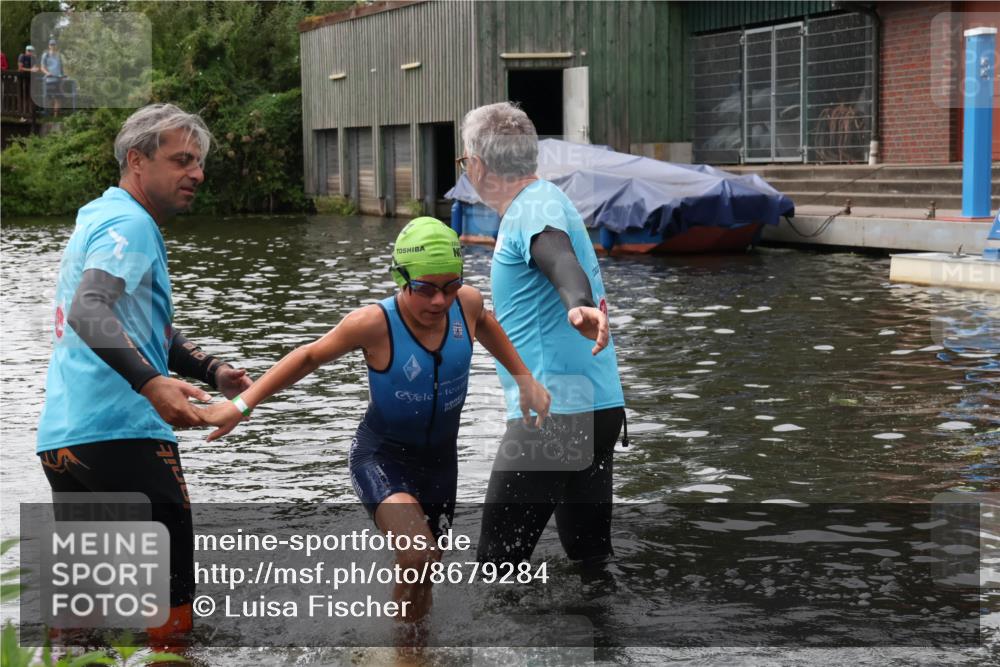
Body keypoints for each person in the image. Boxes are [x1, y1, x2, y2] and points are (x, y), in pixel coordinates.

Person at [201, 216, 550, 643]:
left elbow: (488, 324)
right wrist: (240, 405)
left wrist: (524, 377)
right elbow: (309, 356)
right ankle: (402, 655)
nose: (439, 301)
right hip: (382, 456)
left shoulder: (468, 304)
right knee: (417, 552)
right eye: (424, 288)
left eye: (449, 286)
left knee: (425, 566)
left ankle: (411, 645)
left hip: (441, 464)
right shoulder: (373, 324)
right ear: (399, 278)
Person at [36, 103, 252, 650]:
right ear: (137, 160)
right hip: (124, 434)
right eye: (182, 160)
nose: (197, 174)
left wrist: (212, 370)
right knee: (172, 617)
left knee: (78, 620)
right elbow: (89, 310)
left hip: (68, 441)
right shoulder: (131, 224)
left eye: (199, 162)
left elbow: (140, 328)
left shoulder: (102, 215)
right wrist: (151, 384)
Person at [459, 102, 627, 571]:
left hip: (556, 413)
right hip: (596, 405)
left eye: (463, 161)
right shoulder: (548, 198)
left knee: (495, 570)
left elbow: (556, 254)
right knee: (590, 562)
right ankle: (604, 644)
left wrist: (578, 305)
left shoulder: (533, 207)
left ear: (477, 164)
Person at [40, 39, 66, 116]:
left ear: (56, 45)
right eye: (51, 45)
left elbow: (61, 67)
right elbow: (42, 67)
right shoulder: (46, 55)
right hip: (49, 80)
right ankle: (53, 114)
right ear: (49, 46)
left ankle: (55, 116)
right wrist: (47, 73)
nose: (53, 46)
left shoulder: (58, 55)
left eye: (54, 44)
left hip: (58, 79)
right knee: (51, 98)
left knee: (58, 98)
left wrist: (63, 76)